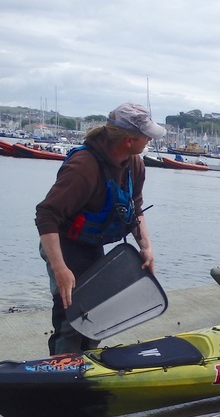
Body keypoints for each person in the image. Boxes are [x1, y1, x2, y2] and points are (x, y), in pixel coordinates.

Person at [35, 102, 166, 354]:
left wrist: (146, 247)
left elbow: (135, 207)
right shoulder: (84, 167)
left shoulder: (135, 164)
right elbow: (46, 215)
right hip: (63, 243)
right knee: (71, 316)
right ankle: (61, 365)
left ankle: (86, 361)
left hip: (92, 243)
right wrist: (60, 269)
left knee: (97, 314)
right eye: (146, 135)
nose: (150, 140)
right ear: (129, 140)